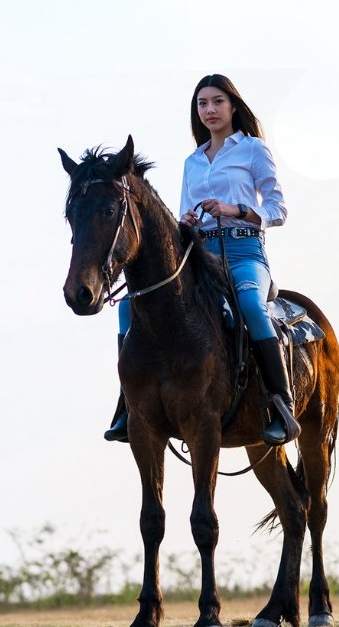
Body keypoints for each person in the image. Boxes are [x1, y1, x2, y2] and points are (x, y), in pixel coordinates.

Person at [104, 74, 300, 447]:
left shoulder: (253, 149)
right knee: (128, 305)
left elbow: (278, 209)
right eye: (202, 104)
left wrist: (237, 209)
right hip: (200, 253)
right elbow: (180, 215)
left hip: (244, 252)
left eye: (217, 102)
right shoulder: (192, 161)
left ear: (232, 106)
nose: (209, 110)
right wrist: (187, 222)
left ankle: (281, 405)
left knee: (250, 307)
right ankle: (127, 404)